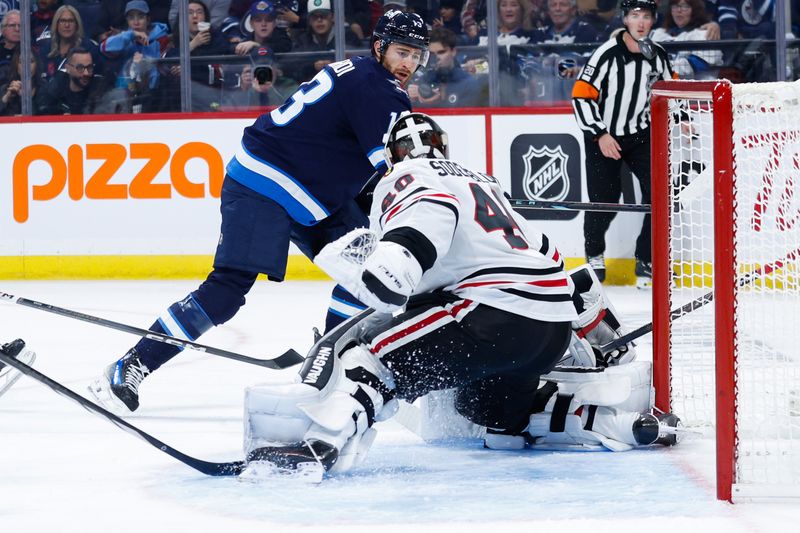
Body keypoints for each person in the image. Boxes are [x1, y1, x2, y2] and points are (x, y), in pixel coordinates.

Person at [238, 113, 680, 480]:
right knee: (495, 414)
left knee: (366, 353)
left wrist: (398, 264)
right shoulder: (484, 182)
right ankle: (623, 425)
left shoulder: (409, 174)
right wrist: (595, 333)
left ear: (393, 154)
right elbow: (549, 256)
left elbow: (429, 211)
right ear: (442, 145)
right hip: (549, 327)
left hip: (492, 313)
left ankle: (318, 447)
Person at [87, 9, 431, 414]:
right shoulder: (380, 90)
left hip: (313, 195)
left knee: (371, 272)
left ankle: (328, 364)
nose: (409, 63)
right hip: (263, 184)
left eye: (417, 55)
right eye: (403, 52)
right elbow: (396, 170)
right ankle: (132, 365)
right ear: (380, 48)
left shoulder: (364, 75)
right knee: (226, 291)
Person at [571, 0, 674, 288]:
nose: (640, 22)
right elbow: (581, 96)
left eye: (646, 17)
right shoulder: (606, 54)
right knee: (605, 201)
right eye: (634, 16)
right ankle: (594, 253)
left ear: (653, 21)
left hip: (641, 135)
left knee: (661, 196)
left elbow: (671, 89)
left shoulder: (659, 55)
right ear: (625, 19)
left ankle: (645, 259)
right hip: (604, 136)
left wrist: (684, 117)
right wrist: (600, 134)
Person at [407, 27, 485, 107]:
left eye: (441, 52)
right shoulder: (422, 81)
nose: (437, 58)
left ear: (453, 52)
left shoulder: (468, 83)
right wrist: (411, 99)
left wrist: (434, 103)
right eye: (432, 54)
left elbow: (470, 117)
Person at [290, 0, 363, 83]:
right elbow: (293, 68)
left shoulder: (347, 36)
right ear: (309, 21)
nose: (319, 20)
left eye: (323, 16)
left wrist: (334, 64)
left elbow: (359, 63)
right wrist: (313, 66)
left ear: (332, 17)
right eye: (314, 17)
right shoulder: (302, 40)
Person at [650, 0, 723, 79]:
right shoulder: (658, 33)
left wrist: (662, 70)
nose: (679, 10)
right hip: (661, 87)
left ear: (695, 11)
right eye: (675, 6)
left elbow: (695, 65)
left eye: (685, 6)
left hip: (696, 89)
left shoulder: (706, 33)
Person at [37, 5, 104, 85]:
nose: (67, 25)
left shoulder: (89, 48)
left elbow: (98, 79)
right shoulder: (46, 50)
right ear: (56, 24)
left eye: (71, 21)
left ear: (77, 24)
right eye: (63, 21)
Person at [40, 46, 106, 114]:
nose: (86, 73)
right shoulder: (55, 90)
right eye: (80, 68)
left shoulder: (99, 89)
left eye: (89, 67)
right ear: (68, 68)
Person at [0, 50, 47, 115]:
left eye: (31, 61)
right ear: (16, 65)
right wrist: (6, 97)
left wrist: (24, 97)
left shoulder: (45, 89)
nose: (26, 66)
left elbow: (45, 116)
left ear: (36, 65)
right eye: (21, 62)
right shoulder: (4, 89)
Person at [0, 9, 20, 88]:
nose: (17, 29)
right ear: (2, 29)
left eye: (20, 25)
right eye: (12, 25)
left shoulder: (30, 51)